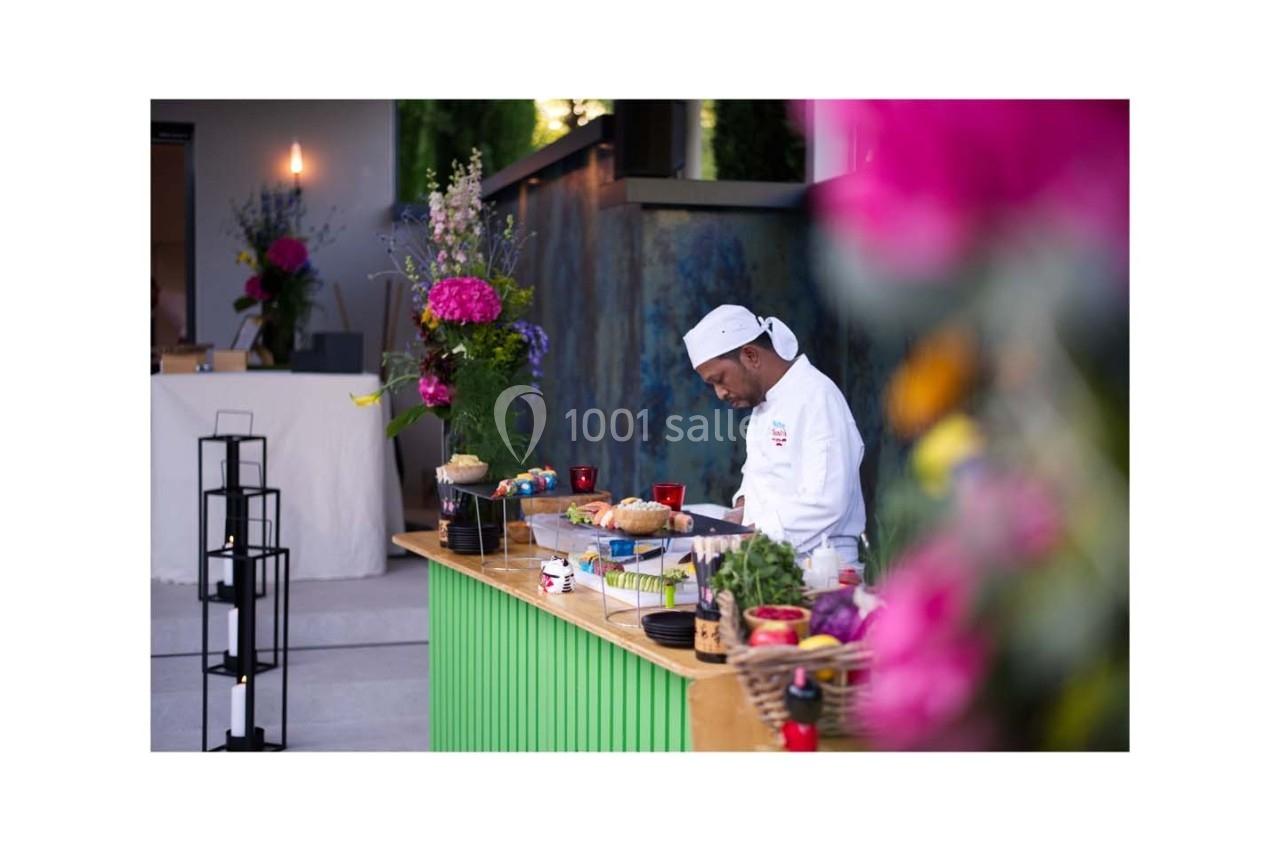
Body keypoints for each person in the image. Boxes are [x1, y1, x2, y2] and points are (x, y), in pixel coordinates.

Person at [683, 305, 866, 565]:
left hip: (819, 574)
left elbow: (826, 504)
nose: (720, 393)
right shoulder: (764, 406)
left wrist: (747, 537)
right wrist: (738, 514)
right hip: (769, 564)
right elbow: (760, 479)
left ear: (750, 356)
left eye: (720, 379)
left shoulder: (816, 397)